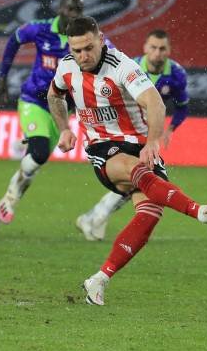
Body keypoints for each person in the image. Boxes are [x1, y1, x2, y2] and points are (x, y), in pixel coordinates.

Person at [47, 16, 207, 306]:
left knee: (148, 216)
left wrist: (153, 141)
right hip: (103, 147)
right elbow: (54, 95)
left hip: (138, 143)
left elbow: (155, 102)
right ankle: (201, 212)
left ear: (100, 38)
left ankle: (99, 280)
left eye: (88, 48)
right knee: (134, 170)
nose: (83, 56)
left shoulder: (123, 66)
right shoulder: (67, 67)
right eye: (77, 50)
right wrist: (64, 129)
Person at [0, 0, 126, 242]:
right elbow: (13, 40)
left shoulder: (86, 39)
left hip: (60, 108)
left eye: (78, 10)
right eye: (70, 9)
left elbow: (111, 53)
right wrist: (2, 79)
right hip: (33, 101)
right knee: (39, 152)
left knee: (35, 163)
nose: (74, 14)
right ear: (60, 10)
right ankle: (8, 203)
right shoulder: (39, 29)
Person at [76, 29, 189, 240]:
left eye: (162, 48)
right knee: (142, 177)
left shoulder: (177, 75)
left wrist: (170, 129)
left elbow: (182, 107)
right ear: (145, 48)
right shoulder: (130, 66)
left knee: (142, 178)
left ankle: (94, 217)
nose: (157, 53)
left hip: (149, 131)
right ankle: (96, 217)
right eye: (153, 47)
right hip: (124, 130)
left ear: (169, 51)